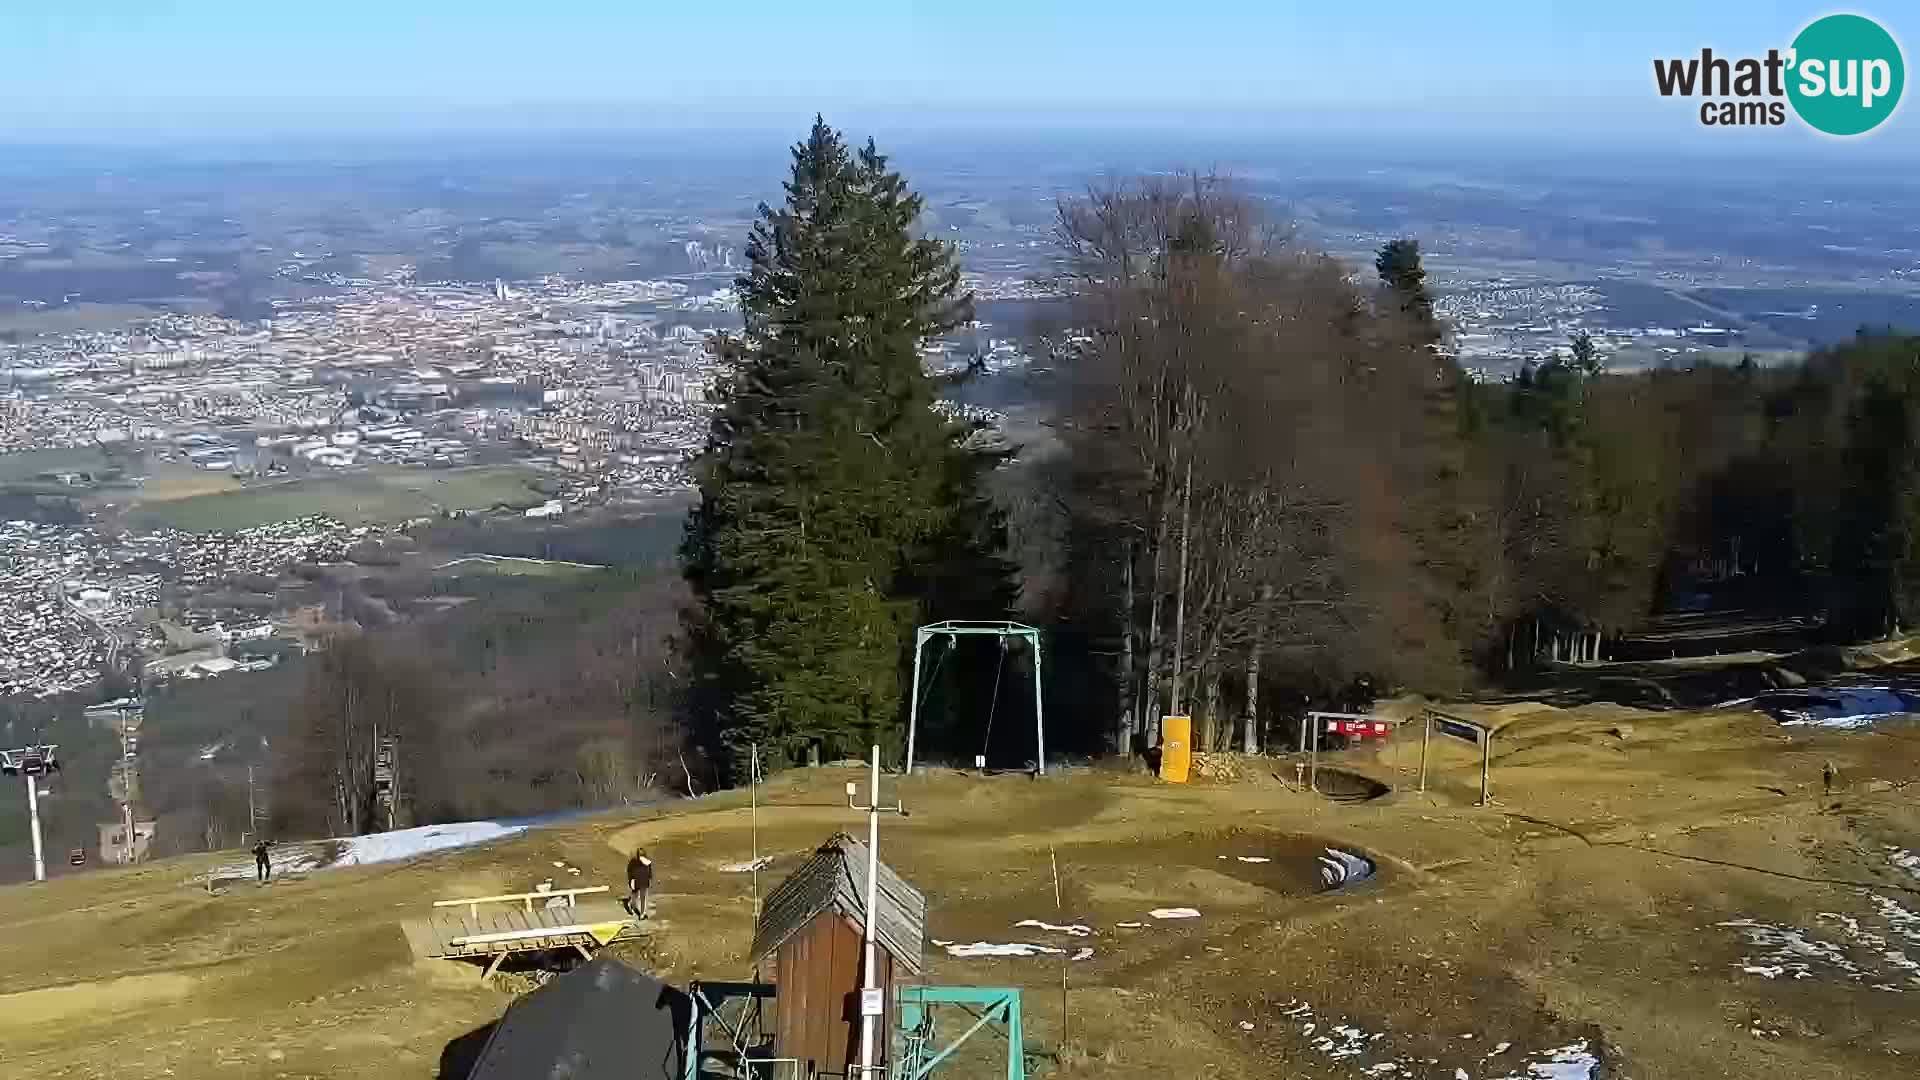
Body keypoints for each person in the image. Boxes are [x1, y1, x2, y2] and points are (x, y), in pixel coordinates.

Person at [625, 848, 653, 919]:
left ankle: (642, 913)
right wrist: (631, 880)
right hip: (637, 881)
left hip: (641, 881)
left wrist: (649, 879)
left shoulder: (645, 862)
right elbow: (630, 871)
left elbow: (649, 872)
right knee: (636, 896)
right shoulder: (634, 862)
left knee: (641, 897)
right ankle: (632, 906)